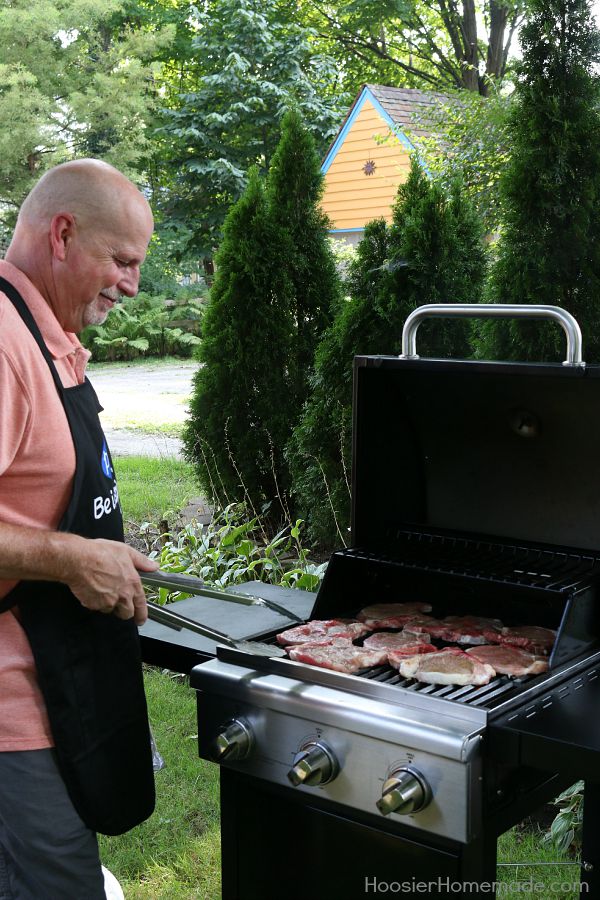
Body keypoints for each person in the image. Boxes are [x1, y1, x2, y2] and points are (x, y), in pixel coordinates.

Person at [0, 159, 160, 899]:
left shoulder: (41, 331)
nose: (132, 284)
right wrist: (69, 557)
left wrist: (94, 552)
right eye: (122, 260)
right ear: (63, 234)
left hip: (58, 686)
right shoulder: (2, 344)